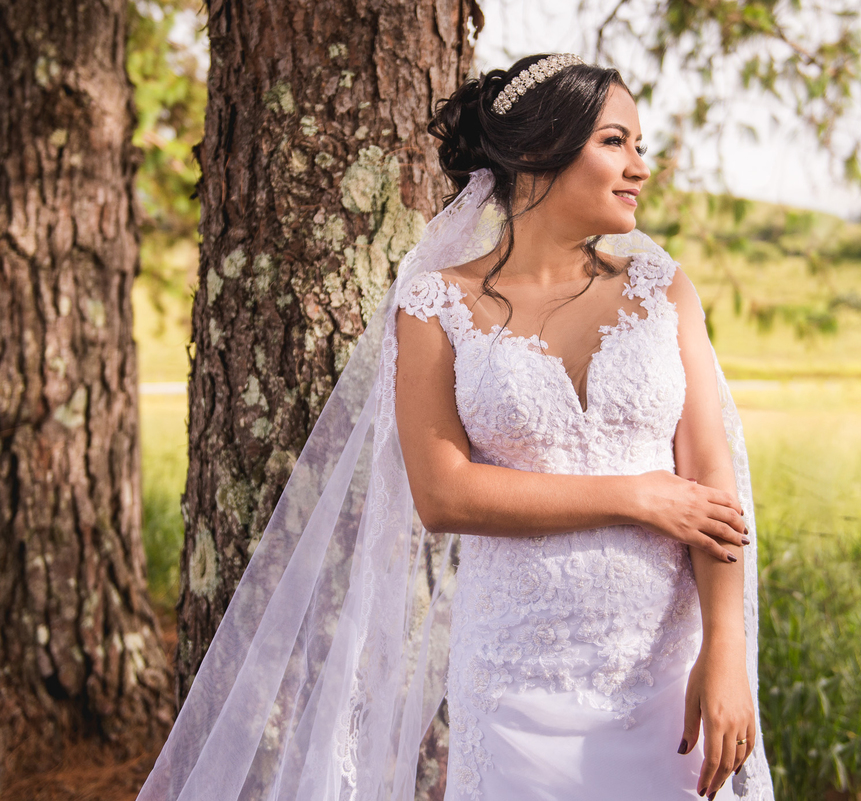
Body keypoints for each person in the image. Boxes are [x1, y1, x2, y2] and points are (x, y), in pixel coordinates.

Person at [137, 54, 771, 801]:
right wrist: (639, 495)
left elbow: (710, 480)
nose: (641, 167)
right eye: (616, 142)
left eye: (639, 145)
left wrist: (725, 648)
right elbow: (444, 493)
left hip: (667, 673)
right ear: (540, 152)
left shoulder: (662, 289)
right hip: (514, 682)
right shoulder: (436, 303)